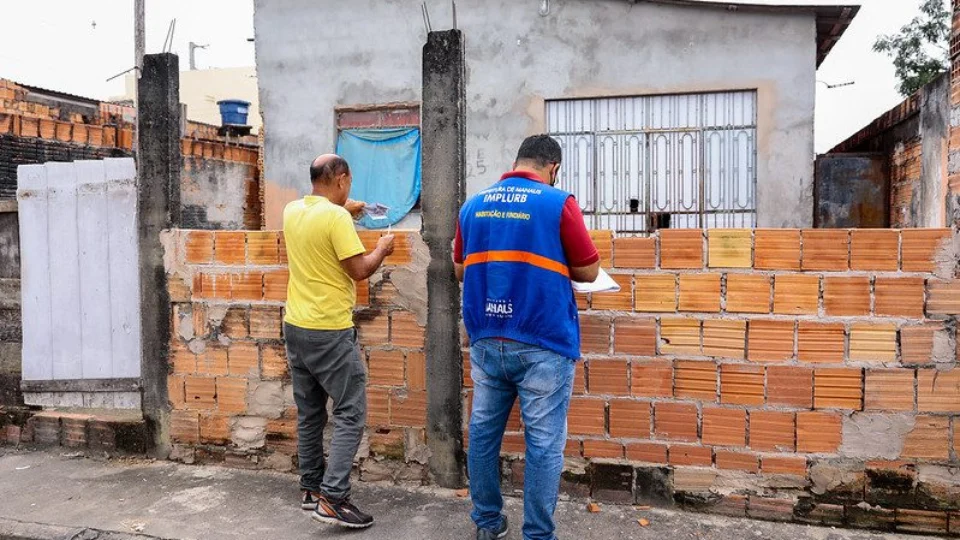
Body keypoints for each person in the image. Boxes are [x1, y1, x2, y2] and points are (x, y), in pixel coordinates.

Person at [454, 135, 600, 540]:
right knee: (544, 443)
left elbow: (461, 271)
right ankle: (537, 534)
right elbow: (588, 271)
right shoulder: (558, 203)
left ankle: (487, 524)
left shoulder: (472, 205)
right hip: (542, 339)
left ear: (517, 161)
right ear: (552, 168)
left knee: (483, 433)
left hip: (487, 336)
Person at [283, 153, 394, 529]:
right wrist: (383, 247)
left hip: (295, 326)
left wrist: (349, 207)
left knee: (311, 413)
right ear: (342, 179)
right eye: (349, 182)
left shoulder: (293, 211)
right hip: (328, 330)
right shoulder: (337, 218)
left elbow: (325, 213)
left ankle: (311, 489)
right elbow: (360, 270)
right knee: (349, 411)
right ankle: (333, 497)